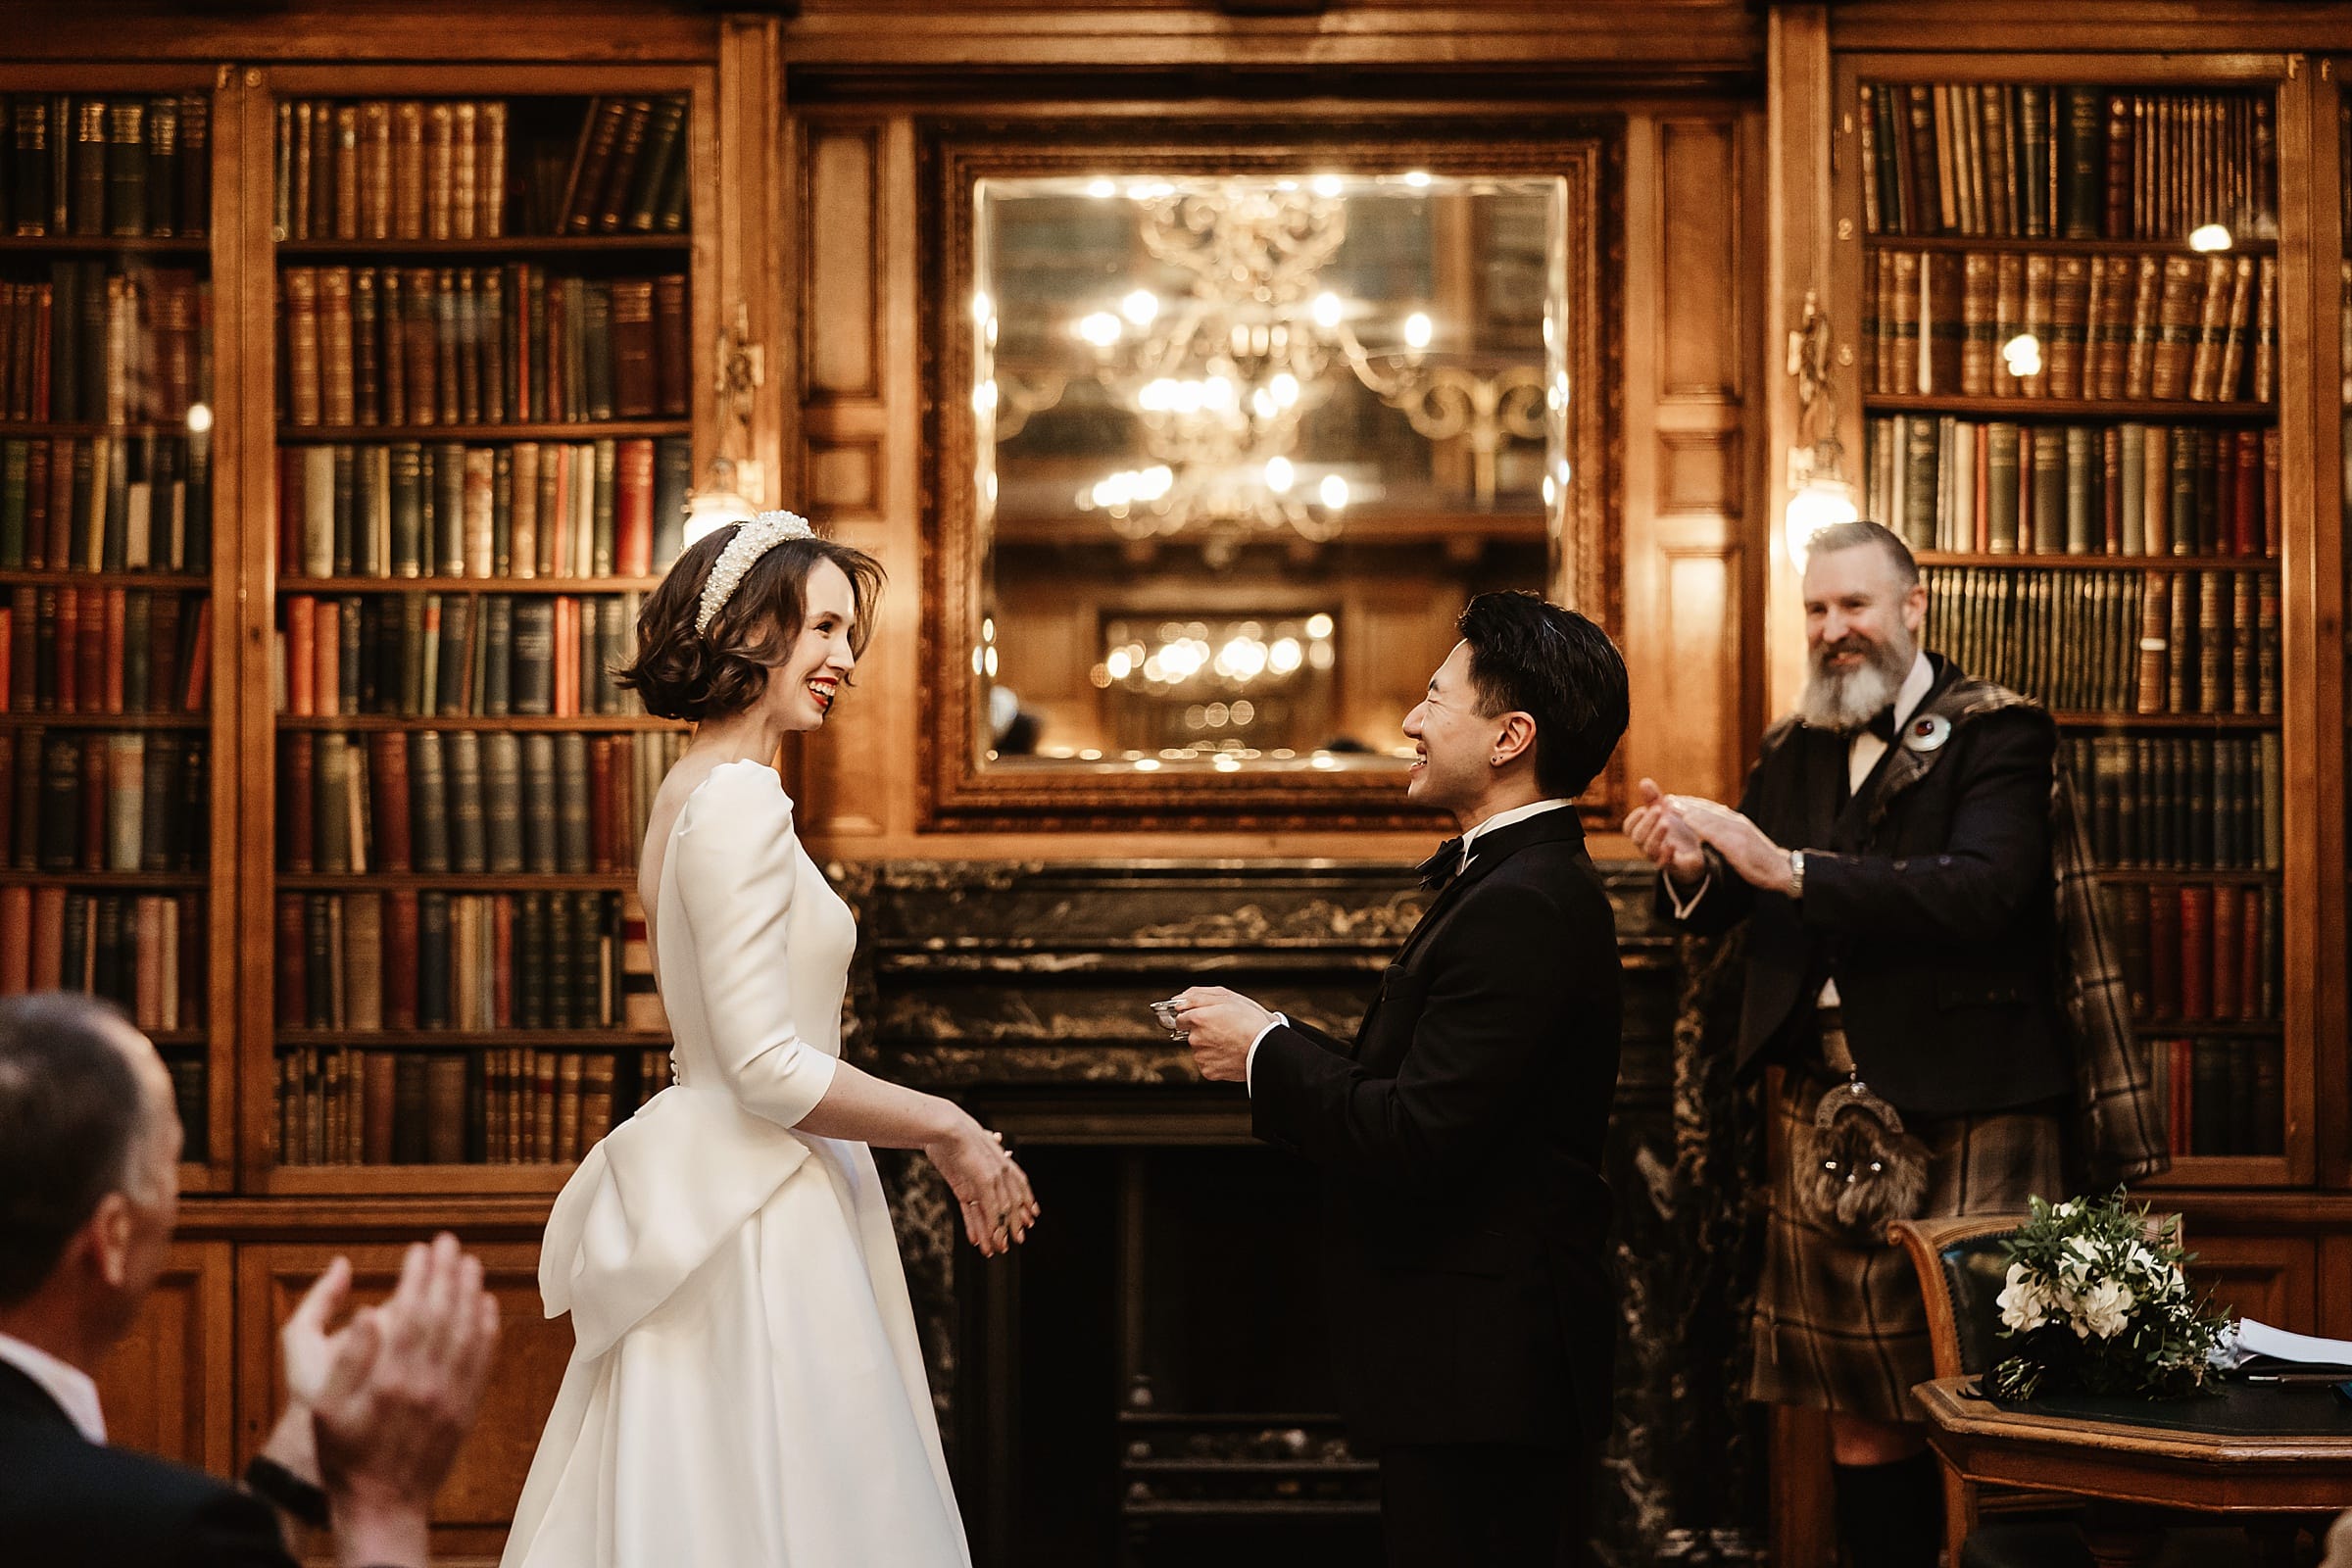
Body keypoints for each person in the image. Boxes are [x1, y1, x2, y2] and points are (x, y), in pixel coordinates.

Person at [503, 511, 1041, 1567]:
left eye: (849, 634)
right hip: (756, 1221)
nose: (846, 658)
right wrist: (949, 1127)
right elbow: (761, 1067)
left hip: (733, 1190)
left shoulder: (693, 791)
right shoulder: (741, 799)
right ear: (754, 628)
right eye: (825, 628)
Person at [1624, 519, 2073, 1568]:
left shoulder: (1999, 731)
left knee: (1995, 1405)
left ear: (1913, 607)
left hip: (1975, 1101)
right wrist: (1691, 863)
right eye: (1818, 610)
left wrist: (1790, 870)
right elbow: (1734, 891)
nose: (1834, 630)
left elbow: (1990, 892)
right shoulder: (1795, 747)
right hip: (1826, 1108)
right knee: (1856, 1409)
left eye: (1855, 606)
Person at [1172, 591, 1629, 1568]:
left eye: (1435, 698)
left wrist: (1263, 1051)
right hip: (1466, 1368)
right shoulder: (1507, 882)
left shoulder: (1528, 901)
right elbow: (1433, 1091)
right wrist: (1276, 1040)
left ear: (1511, 736)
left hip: (1490, 1377)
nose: (1412, 722)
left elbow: (1419, 1136)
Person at [0, 990, 500, 1568]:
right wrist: (383, 1506)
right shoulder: (160, 1529)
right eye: (172, 1165)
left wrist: (301, 1440)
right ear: (110, 1237)